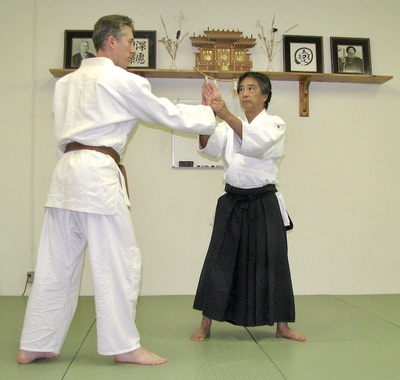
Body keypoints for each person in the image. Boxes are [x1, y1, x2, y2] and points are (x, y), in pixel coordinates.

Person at [17, 14, 217, 365]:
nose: (132, 50)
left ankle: (35, 342)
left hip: (65, 174)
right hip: (96, 176)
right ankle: (122, 345)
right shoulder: (119, 79)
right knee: (119, 261)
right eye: (129, 42)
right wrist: (207, 114)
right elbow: (164, 112)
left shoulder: (67, 83)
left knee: (55, 263)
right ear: (110, 42)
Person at [190, 72, 306, 342]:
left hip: (264, 201)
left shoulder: (275, 124)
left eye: (251, 88)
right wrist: (207, 115)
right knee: (218, 262)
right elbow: (208, 148)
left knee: (274, 263)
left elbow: (257, 144)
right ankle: (206, 323)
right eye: (241, 88)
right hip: (232, 200)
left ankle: (282, 325)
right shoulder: (228, 126)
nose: (244, 93)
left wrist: (225, 114)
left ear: (265, 95)